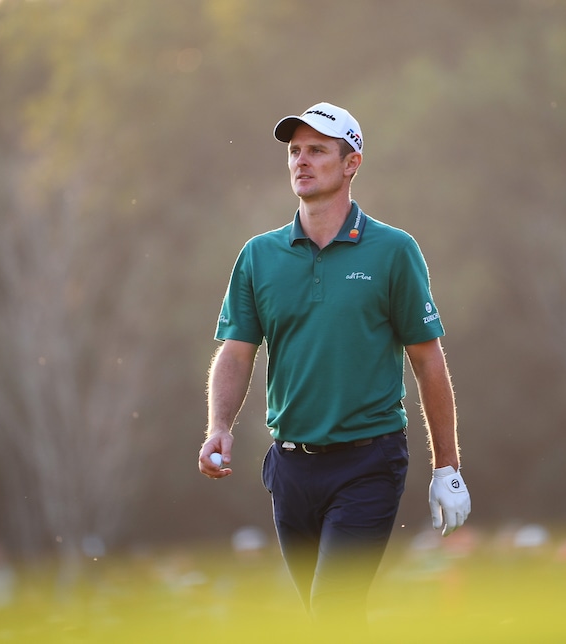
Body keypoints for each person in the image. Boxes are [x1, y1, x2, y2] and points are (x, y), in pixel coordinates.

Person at [198, 101, 471, 623]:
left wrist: (447, 467)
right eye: (295, 151)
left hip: (368, 461)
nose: (301, 161)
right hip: (290, 466)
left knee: (333, 607)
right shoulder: (259, 255)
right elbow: (235, 349)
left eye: (318, 151)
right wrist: (219, 426)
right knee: (326, 617)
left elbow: (428, 361)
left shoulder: (393, 251)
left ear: (352, 164)